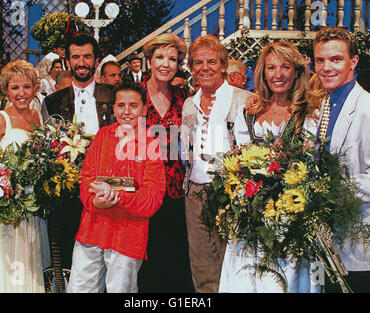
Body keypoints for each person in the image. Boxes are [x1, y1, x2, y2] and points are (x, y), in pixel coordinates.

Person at [220, 41, 321, 293]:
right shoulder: (250, 111)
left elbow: (311, 165)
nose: (278, 74)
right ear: (263, 73)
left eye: (285, 67)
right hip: (251, 223)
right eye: (271, 67)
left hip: (290, 220)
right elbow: (240, 162)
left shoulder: (308, 114)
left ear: (297, 72)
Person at [311, 27, 370, 293]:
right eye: (320, 60)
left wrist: (331, 191)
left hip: (360, 251)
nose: (327, 67)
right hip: (320, 248)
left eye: (336, 59)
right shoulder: (319, 106)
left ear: (353, 62)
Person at [67, 83, 166, 293]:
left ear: (144, 109)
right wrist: (93, 201)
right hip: (91, 232)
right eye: (121, 105)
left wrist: (118, 198)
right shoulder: (102, 137)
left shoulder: (153, 145)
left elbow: (152, 199)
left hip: (128, 237)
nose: (127, 112)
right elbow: (86, 178)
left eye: (133, 106)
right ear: (113, 108)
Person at [180, 34, 254, 293]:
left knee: (235, 263)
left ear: (223, 65)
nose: (205, 68)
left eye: (211, 61)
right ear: (191, 68)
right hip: (195, 191)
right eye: (198, 63)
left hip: (232, 193)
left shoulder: (244, 99)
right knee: (201, 266)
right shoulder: (189, 104)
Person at [41, 33, 116, 271]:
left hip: (106, 190)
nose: (81, 62)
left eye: (87, 56)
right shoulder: (52, 102)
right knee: (69, 260)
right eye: (76, 57)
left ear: (96, 61)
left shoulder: (113, 96)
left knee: (108, 260)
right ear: (68, 61)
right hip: (68, 194)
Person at [0, 60, 50, 292]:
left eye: (27, 87)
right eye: (15, 88)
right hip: (8, 210)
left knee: (31, 263)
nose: (21, 93)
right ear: (6, 90)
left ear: (35, 88)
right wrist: (6, 194)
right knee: (9, 265)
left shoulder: (37, 118)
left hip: (34, 208)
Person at [136, 33, 194, 292]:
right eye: (159, 57)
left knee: (175, 261)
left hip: (176, 192)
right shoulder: (133, 95)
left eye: (172, 58)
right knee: (142, 265)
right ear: (149, 61)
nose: (165, 64)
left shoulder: (185, 97)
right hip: (141, 192)